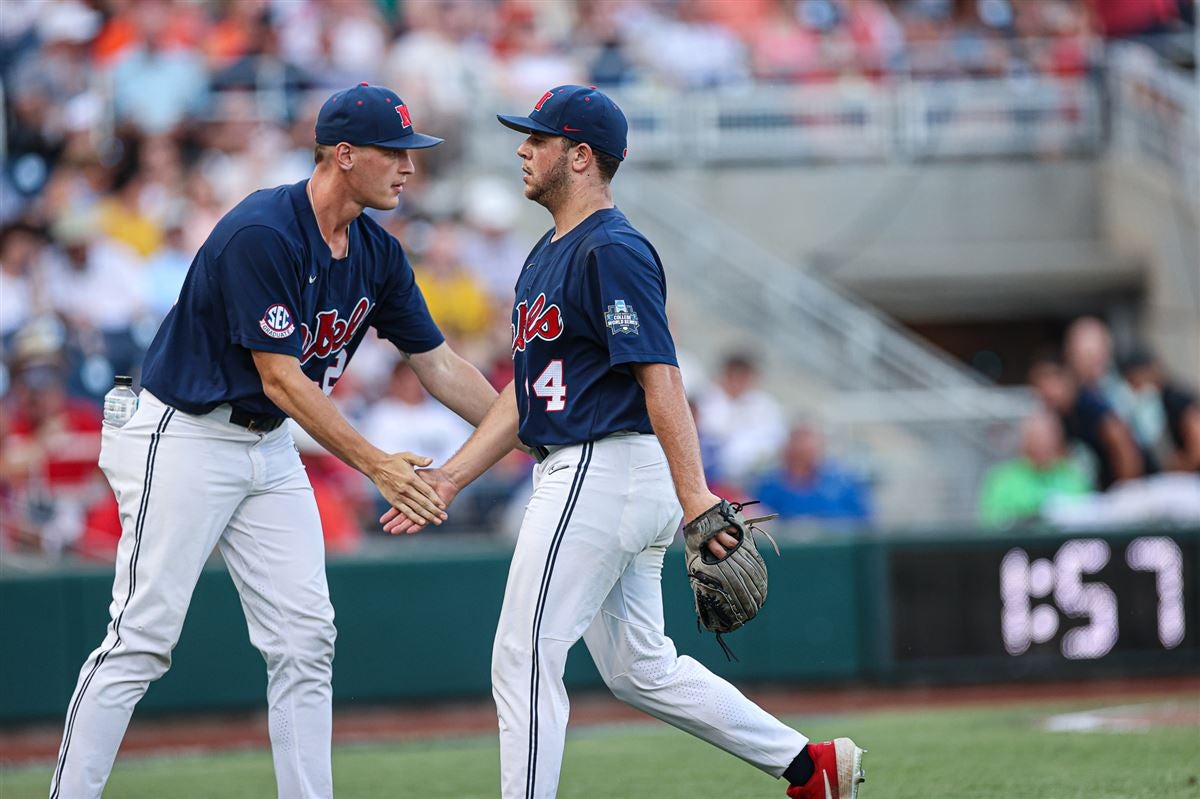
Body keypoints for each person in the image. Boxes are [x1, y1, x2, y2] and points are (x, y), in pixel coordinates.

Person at [381, 85, 865, 799]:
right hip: (599, 472)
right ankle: (810, 766)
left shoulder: (612, 247)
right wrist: (453, 477)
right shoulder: (548, 251)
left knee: (522, 655)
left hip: (601, 468)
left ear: (580, 157)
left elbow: (659, 374)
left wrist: (696, 492)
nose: (523, 148)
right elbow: (525, 395)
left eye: (538, 139)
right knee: (640, 666)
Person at [49, 84, 500, 799]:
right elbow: (284, 379)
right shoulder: (264, 230)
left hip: (266, 446)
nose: (410, 167)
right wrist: (378, 462)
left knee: (305, 638)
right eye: (395, 152)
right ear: (344, 155)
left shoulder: (377, 252)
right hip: (185, 432)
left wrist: (530, 427)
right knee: (142, 636)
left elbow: (440, 364)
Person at [1028, 355, 1143, 490]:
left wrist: (1126, 489)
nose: (1046, 393)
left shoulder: (1087, 404)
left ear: (1065, 379)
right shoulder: (1059, 416)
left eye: (1048, 384)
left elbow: (1123, 445)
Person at [978, 409, 1092, 526]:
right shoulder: (1002, 479)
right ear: (1025, 442)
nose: (1041, 447)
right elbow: (992, 522)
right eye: (1036, 440)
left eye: (1047, 440)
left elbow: (1085, 517)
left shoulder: (1073, 477)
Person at [752, 423, 872, 526]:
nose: (803, 455)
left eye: (809, 451)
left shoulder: (842, 484)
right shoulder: (769, 486)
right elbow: (760, 520)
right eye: (798, 451)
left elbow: (864, 522)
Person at [1120, 350, 1200, 473]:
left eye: (1134, 380)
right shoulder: (1149, 404)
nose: (1135, 387)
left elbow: (1196, 444)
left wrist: (1180, 468)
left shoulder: (1175, 398)